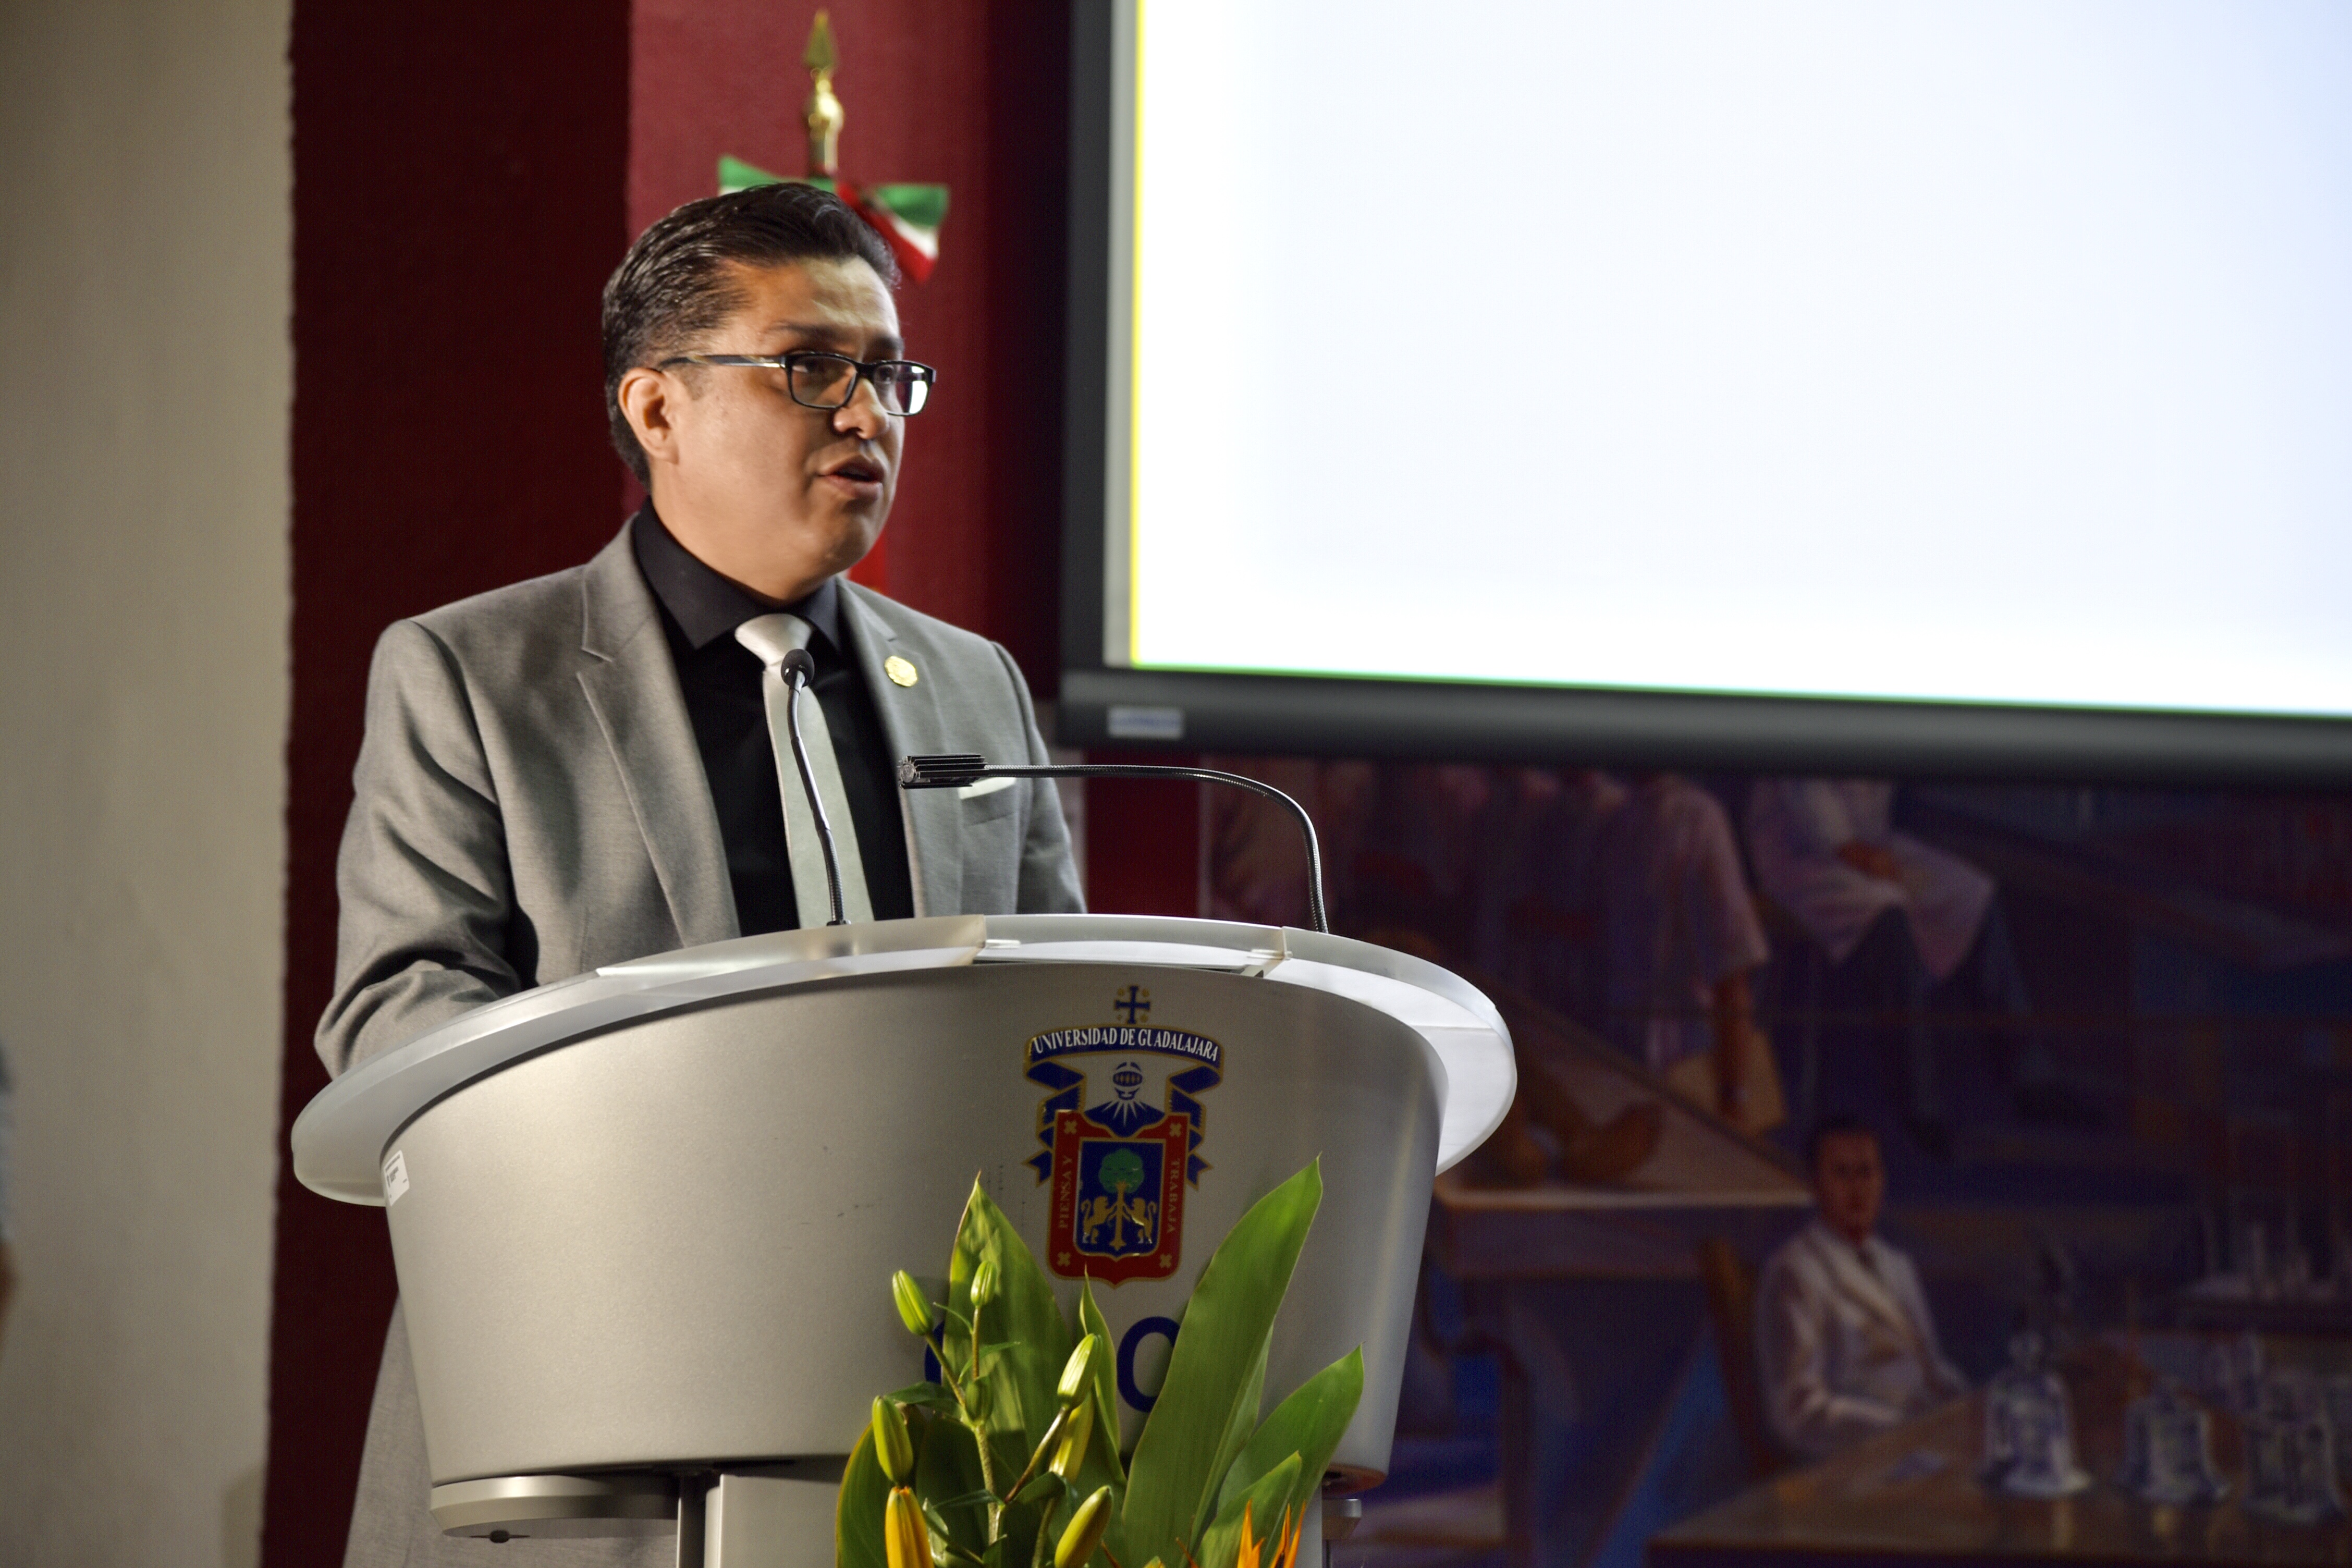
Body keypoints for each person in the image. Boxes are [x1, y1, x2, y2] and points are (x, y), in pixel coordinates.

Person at [324, 182, 1082, 1565]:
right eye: (812, 369)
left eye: (890, 375)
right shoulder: (478, 676)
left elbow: (1061, 1028)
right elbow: (396, 1022)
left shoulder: (974, 690)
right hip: (594, 1429)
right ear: (657, 409)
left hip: (938, 1454)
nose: (870, 415)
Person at [1745, 777, 2084, 1155]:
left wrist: (1869, 851)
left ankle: (2029, 1074)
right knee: (1887, 917)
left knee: (1971, 893)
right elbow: (1806, 792)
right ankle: (1919, 1107)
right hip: (1802, 852)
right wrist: (1851, 850)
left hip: (1869, 841)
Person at [1755, 1114, 1965, 1460]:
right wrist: (1903, 1431)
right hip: (1860, 1462)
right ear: (1815, 1183)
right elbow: (1798, 1411)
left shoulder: (1898, 1265)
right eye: (1842, 1174)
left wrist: (1972, 1408)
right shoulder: (1795, 1270)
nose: (1858, 1189)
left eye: (1867, 1172)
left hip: (1927, 1447)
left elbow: (1931, 1366)